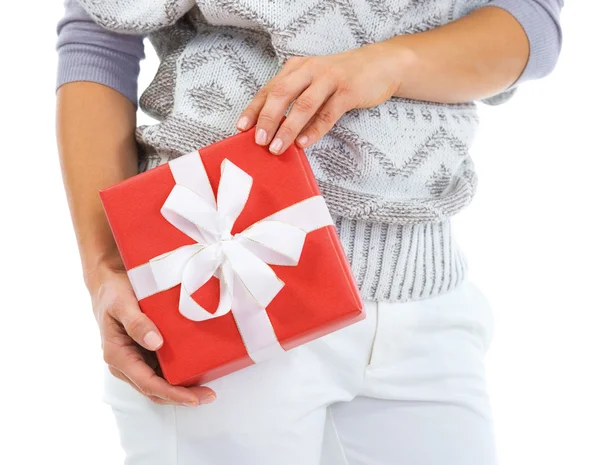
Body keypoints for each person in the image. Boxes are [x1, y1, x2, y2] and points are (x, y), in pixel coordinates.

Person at [55, 1, 563, 464]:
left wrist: (389, 63)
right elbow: (97, 36)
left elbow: (532, 20)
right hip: (219, 285)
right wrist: (105, 265)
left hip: (424, 296)